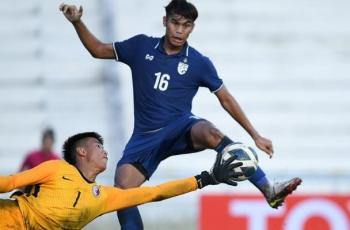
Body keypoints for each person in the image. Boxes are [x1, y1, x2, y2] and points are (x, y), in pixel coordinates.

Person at [59, 1, 302, 229]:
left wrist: (255, 136)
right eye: (176, 23)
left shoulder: (198, 62)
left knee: (211, 133)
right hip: (145, 137)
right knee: (123, 189)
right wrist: (77, 22)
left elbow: (225, 98)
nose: (179, 30)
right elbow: (98, 50)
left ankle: (268, 188)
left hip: (181, 127)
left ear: (192, 28)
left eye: (186, 26)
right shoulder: (141, 46)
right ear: (165, 21)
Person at [0, 132, 243, 229]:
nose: (105, 151)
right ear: (81, 152)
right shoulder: (56, 168)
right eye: (98, 146)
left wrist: (205, 178)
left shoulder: (104, 196)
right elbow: (11, 183)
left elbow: (154, 193)